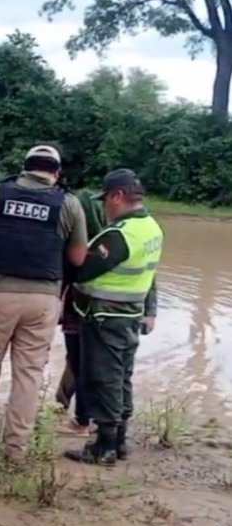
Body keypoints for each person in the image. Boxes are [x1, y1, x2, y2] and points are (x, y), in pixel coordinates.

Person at [0, 145, 88, 463]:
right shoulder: (69, 202)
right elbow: (78, 257)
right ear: (56, 172)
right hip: (42, 300)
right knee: (28, 375)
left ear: (25, 167)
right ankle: (16, 450)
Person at [64, 169, 162, 466]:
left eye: (106, 199)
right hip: (130, 316)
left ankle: (103, 448)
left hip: (105, 317)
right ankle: (119, 441)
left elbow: (83, 270)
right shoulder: (151, 227)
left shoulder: (119, 235)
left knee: (103, 379)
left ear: (118, 196)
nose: (104, 205)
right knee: (122, 378)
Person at [55, 184, 108, 437]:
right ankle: (72, 406)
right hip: (101, 310)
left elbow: (66, 272)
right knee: (87, 361)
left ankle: (81, 418)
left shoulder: (78, 245)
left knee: (78, 360)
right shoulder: (109, 242)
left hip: (78, 308)